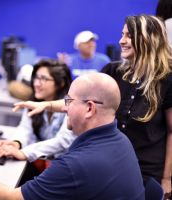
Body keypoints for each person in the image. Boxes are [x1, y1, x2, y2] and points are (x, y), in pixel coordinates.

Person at [13, 15, 172, 199]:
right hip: (111, 166)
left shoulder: (167, 80)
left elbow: (171, 132)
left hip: (147, 171)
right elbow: (79, 101)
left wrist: (167, 178)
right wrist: (46, 105)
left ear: (147, 38)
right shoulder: (113, 71)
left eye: (129, 36)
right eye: (122, 35)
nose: (121, 41)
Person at [0, 72, 145, 200]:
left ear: (89, 108)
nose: (65, 107)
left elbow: (12, 198)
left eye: (68, 101)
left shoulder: (76, 164)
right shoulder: (121, 141)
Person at [0, 59, 74, 163]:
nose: (36, 83)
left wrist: (24, 153)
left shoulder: (70, 104)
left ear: (61, 83)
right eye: (36, 77)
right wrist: (16, 143)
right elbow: (25, 128)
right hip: (42, 162)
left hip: (64, 165)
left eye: (44, 79)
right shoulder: (34, 101)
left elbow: (63, 141)